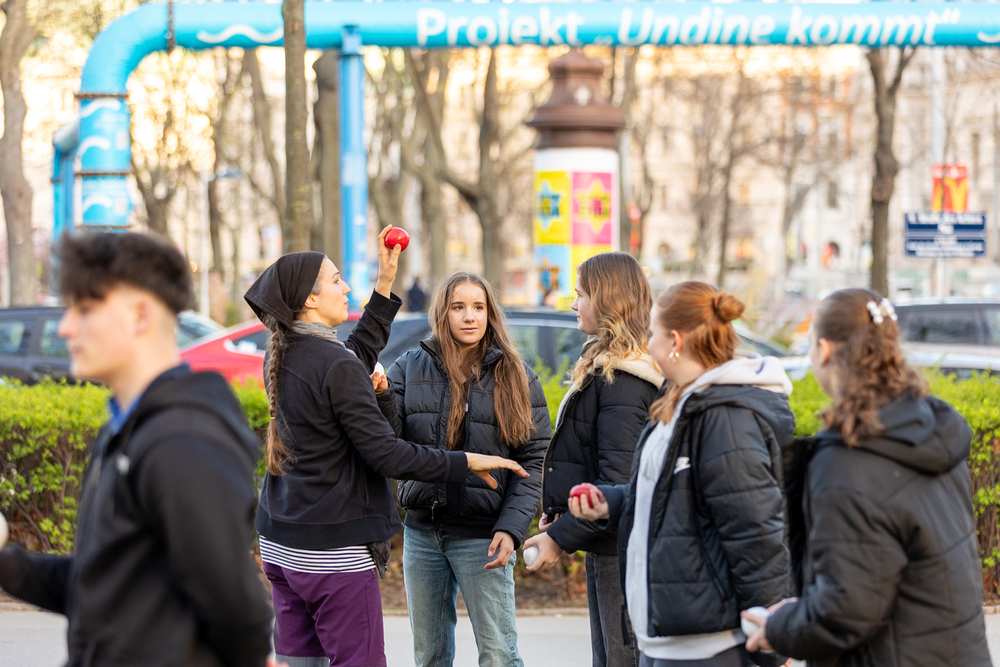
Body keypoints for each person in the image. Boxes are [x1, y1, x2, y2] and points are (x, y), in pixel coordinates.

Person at [244, 229, 526, 667]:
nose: (346, 288)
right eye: (336, 280)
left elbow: (352, 356)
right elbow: (388, 454)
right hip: (331, 553)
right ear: (311, 299)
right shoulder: (335, 364)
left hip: (281, 545)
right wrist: (466, 462)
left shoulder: (283, 353)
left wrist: (384, 283)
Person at [0, 232, 275, 667]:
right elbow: (100, 585)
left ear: (141, 314)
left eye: (84, 309)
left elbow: (233, 603)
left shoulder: (185, 437)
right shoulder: (124, 429)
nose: (65, 327)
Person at [743, 288, 992, 667]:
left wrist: (778, 627)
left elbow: (846, 610)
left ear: (824, 350)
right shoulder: (933, 427)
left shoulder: (848, 459)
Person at [570, 282, 795, 667]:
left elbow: (755, 535)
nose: (648, 343)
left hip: (709, 648)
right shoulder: (679, 403)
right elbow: (671, 495)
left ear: (674, 341)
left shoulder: (725, 420)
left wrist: (773, 644)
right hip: (666, 641)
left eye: (653, 333)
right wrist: (613, 501)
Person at [374, 271, 550, 667]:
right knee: (430, 657)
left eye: (478, 307)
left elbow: (535, 458)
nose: (469, 316)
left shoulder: (516, 375)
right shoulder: (410, 367)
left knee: (499, 655)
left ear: (490, 314)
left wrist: (511, 527)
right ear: (443, 313)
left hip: (484, 536)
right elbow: (388, 442)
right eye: (458, 307)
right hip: (423, 534)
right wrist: (382, 395)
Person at [524, 252, 662, 667]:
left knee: (622, 659)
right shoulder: (610, 370)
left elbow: (617, 483)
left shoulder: (623, 381)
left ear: (606, 299)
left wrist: (559, 537)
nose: (573, 304)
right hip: (609, 544)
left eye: (581, 294)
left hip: (622, 550)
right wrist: (564, 515)